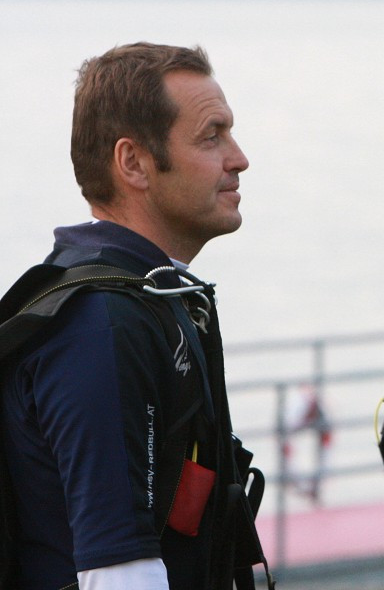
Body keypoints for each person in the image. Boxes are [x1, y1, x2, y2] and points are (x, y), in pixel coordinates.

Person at [0, 43, 267, 589]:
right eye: (211, 136)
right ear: (134, 163)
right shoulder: (100, 323)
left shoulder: (152, 298)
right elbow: (120, 573)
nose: (238, 158)